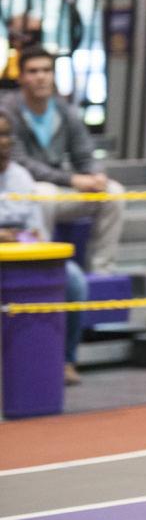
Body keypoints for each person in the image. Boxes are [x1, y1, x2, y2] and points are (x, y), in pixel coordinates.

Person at [0, 46, 124, 273]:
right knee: (42, 193)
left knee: (113, 192)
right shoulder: (7, 112)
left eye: (47, 70)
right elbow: (19, 163)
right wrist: (73, 180)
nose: (41, 77)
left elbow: (84, 153)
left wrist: (96, 175)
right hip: (28, 188)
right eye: (33, 71)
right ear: (21, 77)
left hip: (63, 188)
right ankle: (43, 267)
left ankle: (102, 271)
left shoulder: (64, 109)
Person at [0, 110, 87, 385]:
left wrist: (19, 239)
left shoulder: (22, 178)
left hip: (23, 258)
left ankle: (65, 361)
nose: (1, 141)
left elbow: (37, 233)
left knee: (73, 279)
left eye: (5, 134)